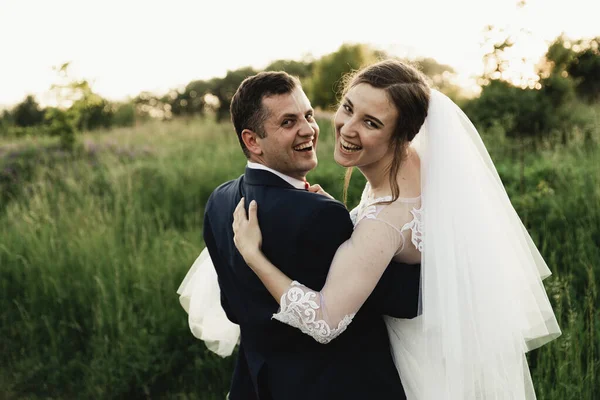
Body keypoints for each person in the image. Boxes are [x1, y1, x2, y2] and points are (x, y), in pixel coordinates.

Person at [231, 59, 562, 399]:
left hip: (413, 370)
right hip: (441, 347)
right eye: (348, 108)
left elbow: (325, 321)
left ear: (401, 135)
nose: (347, 128)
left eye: (371, 123)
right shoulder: (422, 167)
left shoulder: (383, 222)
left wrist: (253, 256)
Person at [177, 70, 421, 400]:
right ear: (252, 141)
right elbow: (399, 300)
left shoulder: (220, 200)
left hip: (257, 384)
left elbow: (235, 308)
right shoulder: (320, 216)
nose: (308, 129)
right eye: (288, 122)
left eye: (308, 115)